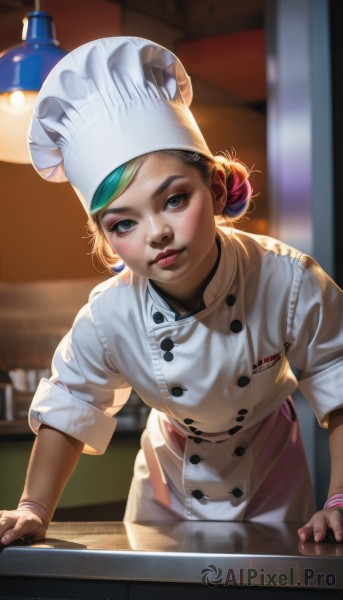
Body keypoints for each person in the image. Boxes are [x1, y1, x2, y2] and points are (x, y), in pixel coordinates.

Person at [0, 36, 342, 546]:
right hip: (167, 477)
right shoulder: (107, 316)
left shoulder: (287, 281)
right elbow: (71, 405)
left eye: (175, 199)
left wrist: (338, 500)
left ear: (218, 189)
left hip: (270, 465)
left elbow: (337, 380)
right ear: (108, 240)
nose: (156, 232)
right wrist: (32, 508)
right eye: (123, 224)